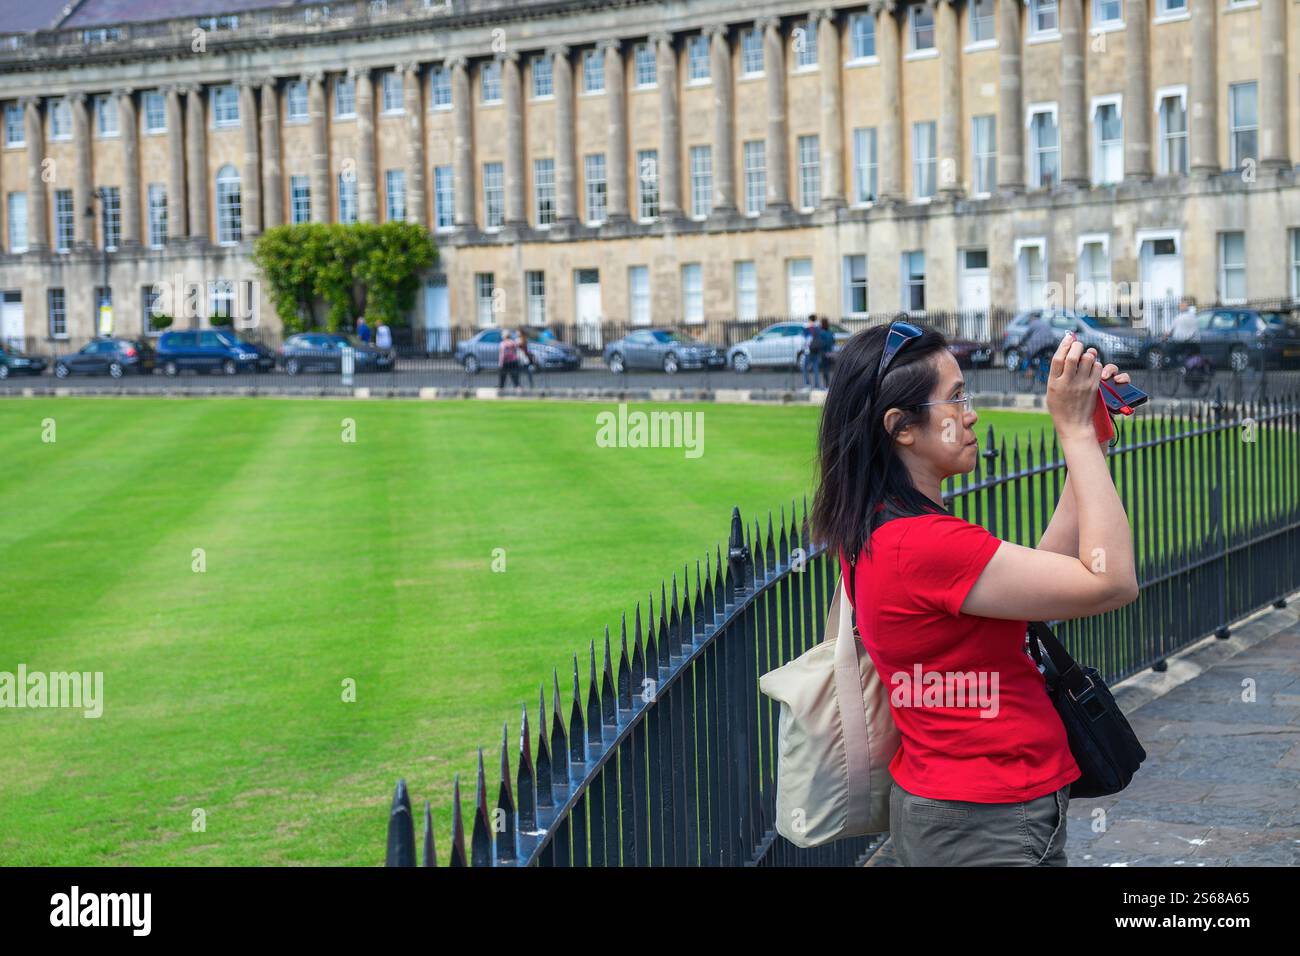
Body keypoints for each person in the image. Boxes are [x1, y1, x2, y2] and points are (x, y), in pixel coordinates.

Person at [810, 322, 1138, 866]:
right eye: (955, 397)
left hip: (975, 808)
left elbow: (1048, 574)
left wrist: (1093, 436)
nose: (971, 413)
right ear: (902, 428)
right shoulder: (919, 544)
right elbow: (1111, 580)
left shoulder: (885, 526)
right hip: (985, 818)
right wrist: (1074, 435)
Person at [1015, 312, 1056, 385]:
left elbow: (1026, 335)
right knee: (1043, 356)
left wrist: (1020, 343)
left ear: (1032, 318)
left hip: (1040, 343)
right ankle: (1045, 373)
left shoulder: (1033, 323)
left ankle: (1030, 370)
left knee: (1029, 353)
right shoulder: (1043, 322)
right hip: (1051, 343)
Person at [1163, 297, 1200, 367]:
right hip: (1194, 344)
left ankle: (1179, 367)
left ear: (1182, 307)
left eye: (1180, 305)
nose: (1180, 307)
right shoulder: (1194, 317)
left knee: (1171, 352)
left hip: (1182, 343)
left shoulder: (1178, 318)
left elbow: (1168, 332)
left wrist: (1164, 338)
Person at [802, 314, 825, 388]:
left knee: (805, 367)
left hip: (808, 351)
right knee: (816, 368)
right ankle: (817, 384)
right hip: (816, 350)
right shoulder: (818, 328)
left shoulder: (808, 328)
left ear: (810, 320)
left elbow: (806, 339)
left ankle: (807, 383)